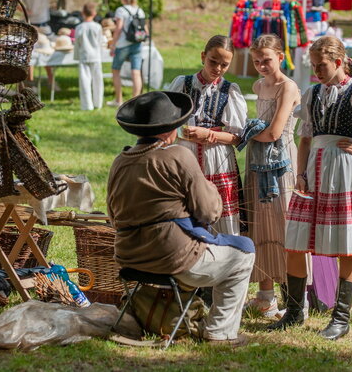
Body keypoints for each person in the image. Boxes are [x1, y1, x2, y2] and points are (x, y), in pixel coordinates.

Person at [270, 36, 352, 340]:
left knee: (346, 246)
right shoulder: (312, 93)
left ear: (338, 62)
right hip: (312, 171)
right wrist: (300, 172)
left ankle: (340, 319)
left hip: (344, 171)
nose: (317, 70)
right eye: (314, 65)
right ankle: (294, 313)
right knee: (295, 240)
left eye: (322, 65)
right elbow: (305, 138)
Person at [108, 91, 255, 345]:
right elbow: (208, 211)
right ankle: (221, 333)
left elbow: (113, 215)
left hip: (129, 258)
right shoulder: (178, 155)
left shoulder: (120, 161)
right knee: (244, 254)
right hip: (174, 259)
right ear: (170, 130)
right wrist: (212, 193)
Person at [240, 34, 303, 317]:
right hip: (257, 160)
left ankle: (295, 298)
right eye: (256, 61)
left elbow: (275, 132)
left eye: (267, 59)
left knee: (283, 227)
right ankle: (266, 296)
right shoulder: (257, 84)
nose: (262, 66)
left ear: (280, 56)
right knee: (260, 226)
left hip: (281, 163)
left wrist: (240, 136)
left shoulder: (288, 87)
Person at [166, 35, 248, 236]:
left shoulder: (230, 91)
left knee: (220, 214)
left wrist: (209, 134)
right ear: (203, 56)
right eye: (213, 61)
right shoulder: (182, 84)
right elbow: (166, 123)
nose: (218, 68)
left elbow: (237, 137)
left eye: (224, 65)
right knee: (184, 209)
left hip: (217, 158)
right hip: (186, 156)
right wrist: (182, 133)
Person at [108, 0, 147, 107]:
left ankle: (118, 100)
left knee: (116, 70)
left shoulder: (121, 10)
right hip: (137, 44)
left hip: (123, 45)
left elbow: (119, 28)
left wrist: (113, 44)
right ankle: (135, 101)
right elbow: (145, 29)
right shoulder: (140, 10)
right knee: (136, 72)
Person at [22, 0, 58, 91]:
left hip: (44, 25)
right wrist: (25, 10)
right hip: (32, 25)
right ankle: (30, 82)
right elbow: (15, 1)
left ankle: (51, 80)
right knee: (31, 54)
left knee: (47, 53)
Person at [73, 2, 104, 110]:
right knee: (98, 80)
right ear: (94, 13)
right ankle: (98, 103)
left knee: (85, 81)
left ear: (83, 13)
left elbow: (77, 43)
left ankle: (87, 105)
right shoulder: (98, 27)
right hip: (96, 55)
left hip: (84, 55)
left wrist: (76, 56)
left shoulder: (79, 27)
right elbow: (100, 42)